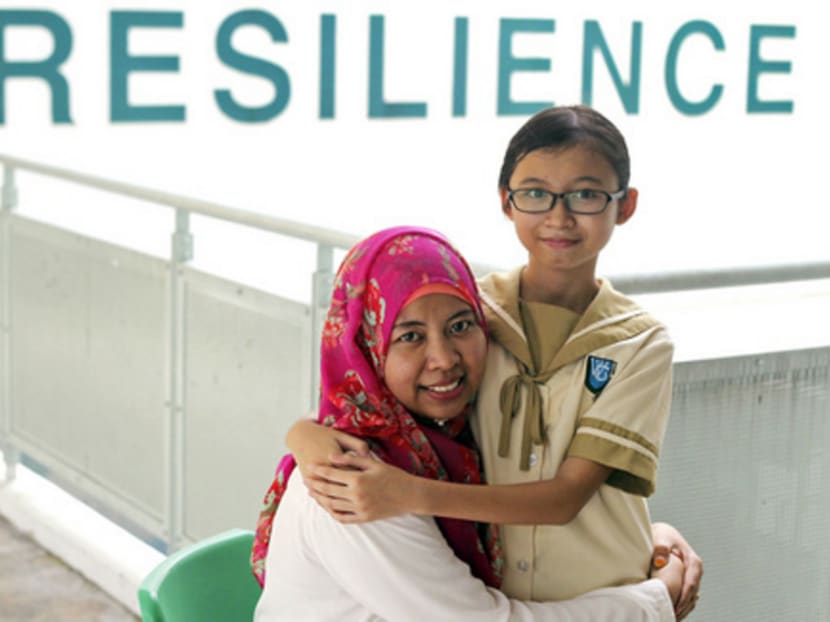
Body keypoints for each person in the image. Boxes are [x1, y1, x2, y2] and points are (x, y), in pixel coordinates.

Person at [288, 106, 702, 620]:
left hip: (602, 593)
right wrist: (303, 436)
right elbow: (368, 400)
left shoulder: (639, 343)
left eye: (586, 194)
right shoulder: (467, 314)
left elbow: (567, 497)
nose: (559, 215)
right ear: (506, 201)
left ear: (625, 204)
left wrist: (410, 495)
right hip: (494, 593)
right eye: (535, 193)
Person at [252, 226, 681, 621]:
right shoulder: (358, 485)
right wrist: (656, 599)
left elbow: (553, 490)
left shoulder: (442, 437)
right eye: (410, 336)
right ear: (365, 348)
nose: (444, 359)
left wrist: (654, 538)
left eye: (460, 325)